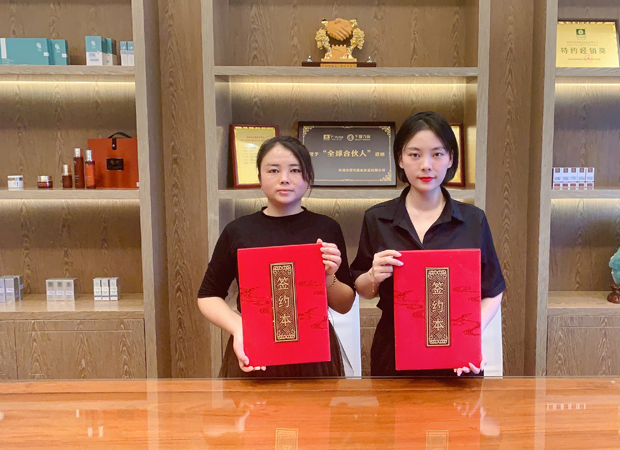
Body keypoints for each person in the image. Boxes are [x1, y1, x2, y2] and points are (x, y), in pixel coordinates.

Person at [351, 111, 505, 377]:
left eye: (437, 154)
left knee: (460, 406)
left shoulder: (473, 220)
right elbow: (363, 289)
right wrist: (373, 276)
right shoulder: (377, 218)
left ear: (451, 158)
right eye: (415, 154)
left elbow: (493, 289)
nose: (426, 165)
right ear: (400, 158)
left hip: (456, 354)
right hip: (394, 352)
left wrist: (468, 333)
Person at [198, 136, 355, 378]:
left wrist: (328, 277)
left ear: (308, 177)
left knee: (316, 404)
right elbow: (208, 295)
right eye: (273, 170)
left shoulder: (326, 228)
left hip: (313, 350)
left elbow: (344, 306)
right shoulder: (238, 231)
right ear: (259, 178)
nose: (284, 178)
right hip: (255, 348)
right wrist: (239, 327)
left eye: (295, 170)